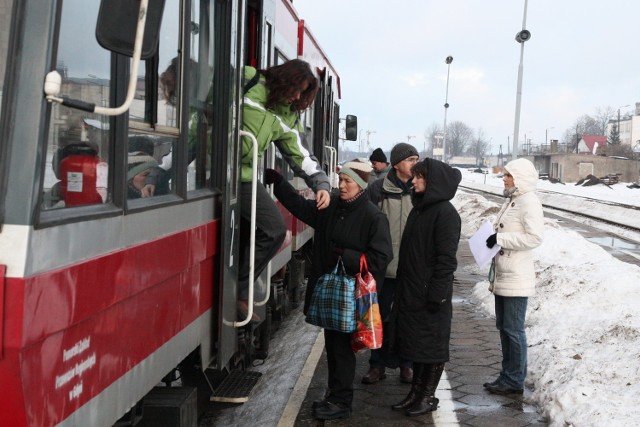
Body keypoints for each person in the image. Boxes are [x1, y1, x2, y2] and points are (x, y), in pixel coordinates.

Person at [265, 161, 393, 421]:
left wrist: (347, 256)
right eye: (341, 180)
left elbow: (381, 258)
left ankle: (342, 402)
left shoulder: (373, 216)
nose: (341, 185)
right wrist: (279, 183)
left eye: (347, 181)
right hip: (331, 292)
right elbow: (302, 208)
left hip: (350, 294)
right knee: (333, 346)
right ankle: (335, 396)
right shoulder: (331, 205)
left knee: (343, 349)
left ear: (361, 184)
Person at [238, 59, 331, 318]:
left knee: (274, 230)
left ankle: (239, 289)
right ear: (284, 78)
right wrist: (164, 168)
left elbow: (300, 155)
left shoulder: (287, 116)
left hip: (242, 178)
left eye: (303, 93)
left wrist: (321, 184)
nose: (297, 96)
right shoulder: (247, 80)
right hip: (208, 174)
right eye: (296, 88)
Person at [390, 158, 461, 417]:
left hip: (431, 294)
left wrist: (437, 295)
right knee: (417, 345)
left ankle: (428, 396)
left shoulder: (445, 214)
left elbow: (446, 260)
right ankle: (415, 394)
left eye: (419, 176)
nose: (414, 180)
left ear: (433, 182)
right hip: (413, 291)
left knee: (432, 346)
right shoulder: (420, 208)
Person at [483, 158, 544, 395]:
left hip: (517, 277)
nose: (504, 179)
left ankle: (515, 380)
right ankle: (506, 375)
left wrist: (500, 239)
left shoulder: (529, 202)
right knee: (504, 328)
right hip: (503, 273)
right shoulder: (513, 201)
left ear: (519, 178)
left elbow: (534, 237)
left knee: (513, 330)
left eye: (508, 175)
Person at [362, 142, 420, 385]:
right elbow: (366, 225)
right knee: (379, 318)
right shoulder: (378, 189)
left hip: (409, 270)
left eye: (417, 160)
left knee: (407, 320)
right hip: (383, 270)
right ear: (397, 164)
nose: (415, 165)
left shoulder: (420, 189)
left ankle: (406, 365)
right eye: (411, 160)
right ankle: (377, 365)